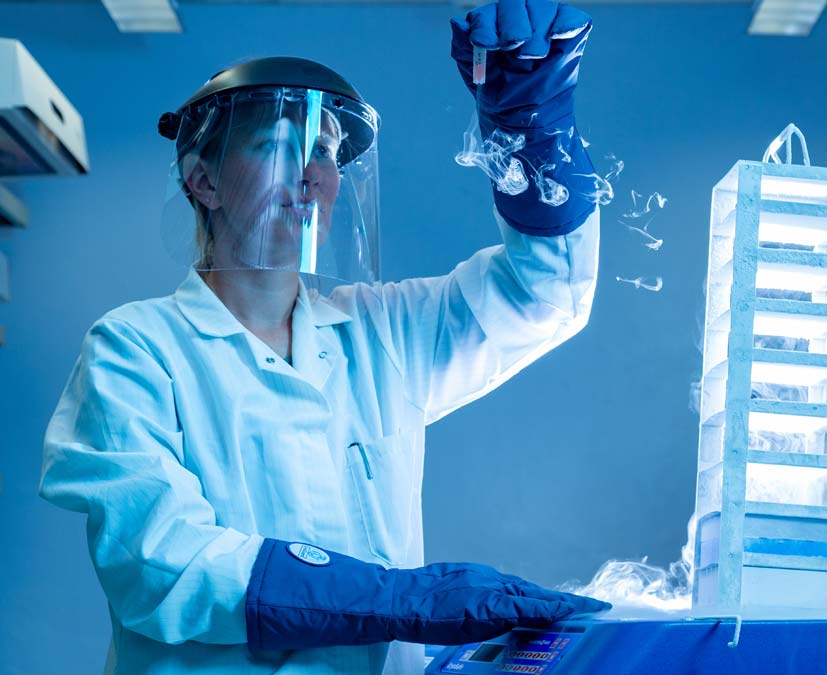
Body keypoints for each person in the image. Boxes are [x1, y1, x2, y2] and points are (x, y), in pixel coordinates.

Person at [38, 1, 608, 673]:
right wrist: (399, 597)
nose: (310, 175)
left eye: (326, 154)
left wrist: (530, 125)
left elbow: (544, 291)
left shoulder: (378, 332)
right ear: (202, 179)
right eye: (277, 146)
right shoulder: (135, 349)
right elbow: (165, 563)